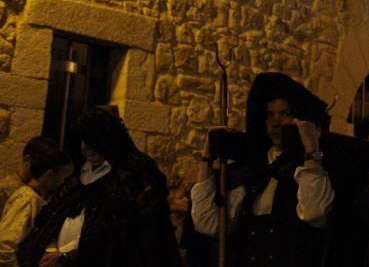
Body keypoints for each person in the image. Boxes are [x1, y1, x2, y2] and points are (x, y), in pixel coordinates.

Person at [188, 71, 335, 267]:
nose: (276, 122)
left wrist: (310, 149)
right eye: (270, 115)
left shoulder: (311, 168)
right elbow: (207, 223)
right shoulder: (253, 171)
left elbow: (314, 214)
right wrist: (208, 155)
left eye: (284, 114)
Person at [16, 107, 179, 267]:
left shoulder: (134, 176)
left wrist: (67, 256)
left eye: (92, 139)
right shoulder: (76, 178)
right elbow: (50, 220)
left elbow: (127, 237)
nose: (86, 147)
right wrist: (49, 250)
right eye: (83, 139)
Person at [0, 138, 71, 267]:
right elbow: (6, 244)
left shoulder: (37, 197)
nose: (63, 181)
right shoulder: (27, 199)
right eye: (62, 176)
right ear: (49, 174)